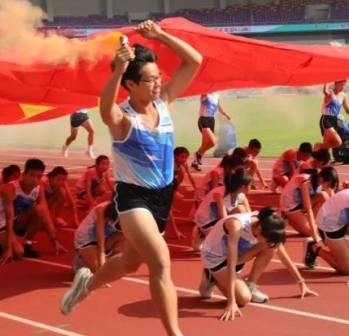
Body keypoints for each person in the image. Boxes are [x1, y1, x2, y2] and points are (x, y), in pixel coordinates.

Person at [59, 20, 202, 336]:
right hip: (133, 198)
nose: (156, 84)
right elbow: (104, 111)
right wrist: (116, 69)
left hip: (162, 196)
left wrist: (161, 35)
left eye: (158, 77)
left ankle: (86, 282)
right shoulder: (123, 119)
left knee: (128, 264)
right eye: (149, 80)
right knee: (161, 263)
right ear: (130, 84)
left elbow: (195, 61)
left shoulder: (164, 102)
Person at [197, 208, 318, 321]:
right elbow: (231, 262)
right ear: (259, 230)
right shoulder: (236, 225)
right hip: (216, 259)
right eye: (265, 238)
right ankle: (210, 275)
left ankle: (250, 285)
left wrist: (301, 282)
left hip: (236, 257)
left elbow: (282, 254)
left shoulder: (266, 224)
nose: (265, 242)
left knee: (272, 246)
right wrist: (231, 301)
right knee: (243, 300)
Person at [0, 159, 65, 262]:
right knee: (18, 253)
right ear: (24, 175)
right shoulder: (10, 188)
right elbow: (9, 217)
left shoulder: (38, 189)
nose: (35, 179)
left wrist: (54, 240)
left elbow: (45, 214)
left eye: (38, 176)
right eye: (31, 175)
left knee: (39, 210)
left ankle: (28, 244)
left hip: (17, 219)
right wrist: (8, 249)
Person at [72, 200, 124, 274]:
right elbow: (100, 242)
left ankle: (105, 263)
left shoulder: (131, 212)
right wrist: (101, 273)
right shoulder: (101, 209)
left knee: (126, 237)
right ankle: (81, 261)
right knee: (99, 272)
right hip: (86, 239)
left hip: (107, 238)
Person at [191, 92, 232, 171]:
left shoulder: (217, 95)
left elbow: (219, 107)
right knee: (213, 142)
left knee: (205, 143)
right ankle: (198, 153)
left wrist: (226, 115)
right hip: (203, 119)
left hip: (211, 120)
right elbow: (202, 96)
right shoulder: (205, 93)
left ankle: (195, 162)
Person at [317, 81, 349, 151]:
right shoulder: (330, 94)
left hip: (335, 120)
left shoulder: (343, 96)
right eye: (341, 84)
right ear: (335, 84)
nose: (343, 86)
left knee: (326, 147)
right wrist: (326, 79)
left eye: (344, 85)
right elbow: (325, 91)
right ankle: (318, 146)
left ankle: (316, 153)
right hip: (326, 120)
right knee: (338, 142)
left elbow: (347, 110)